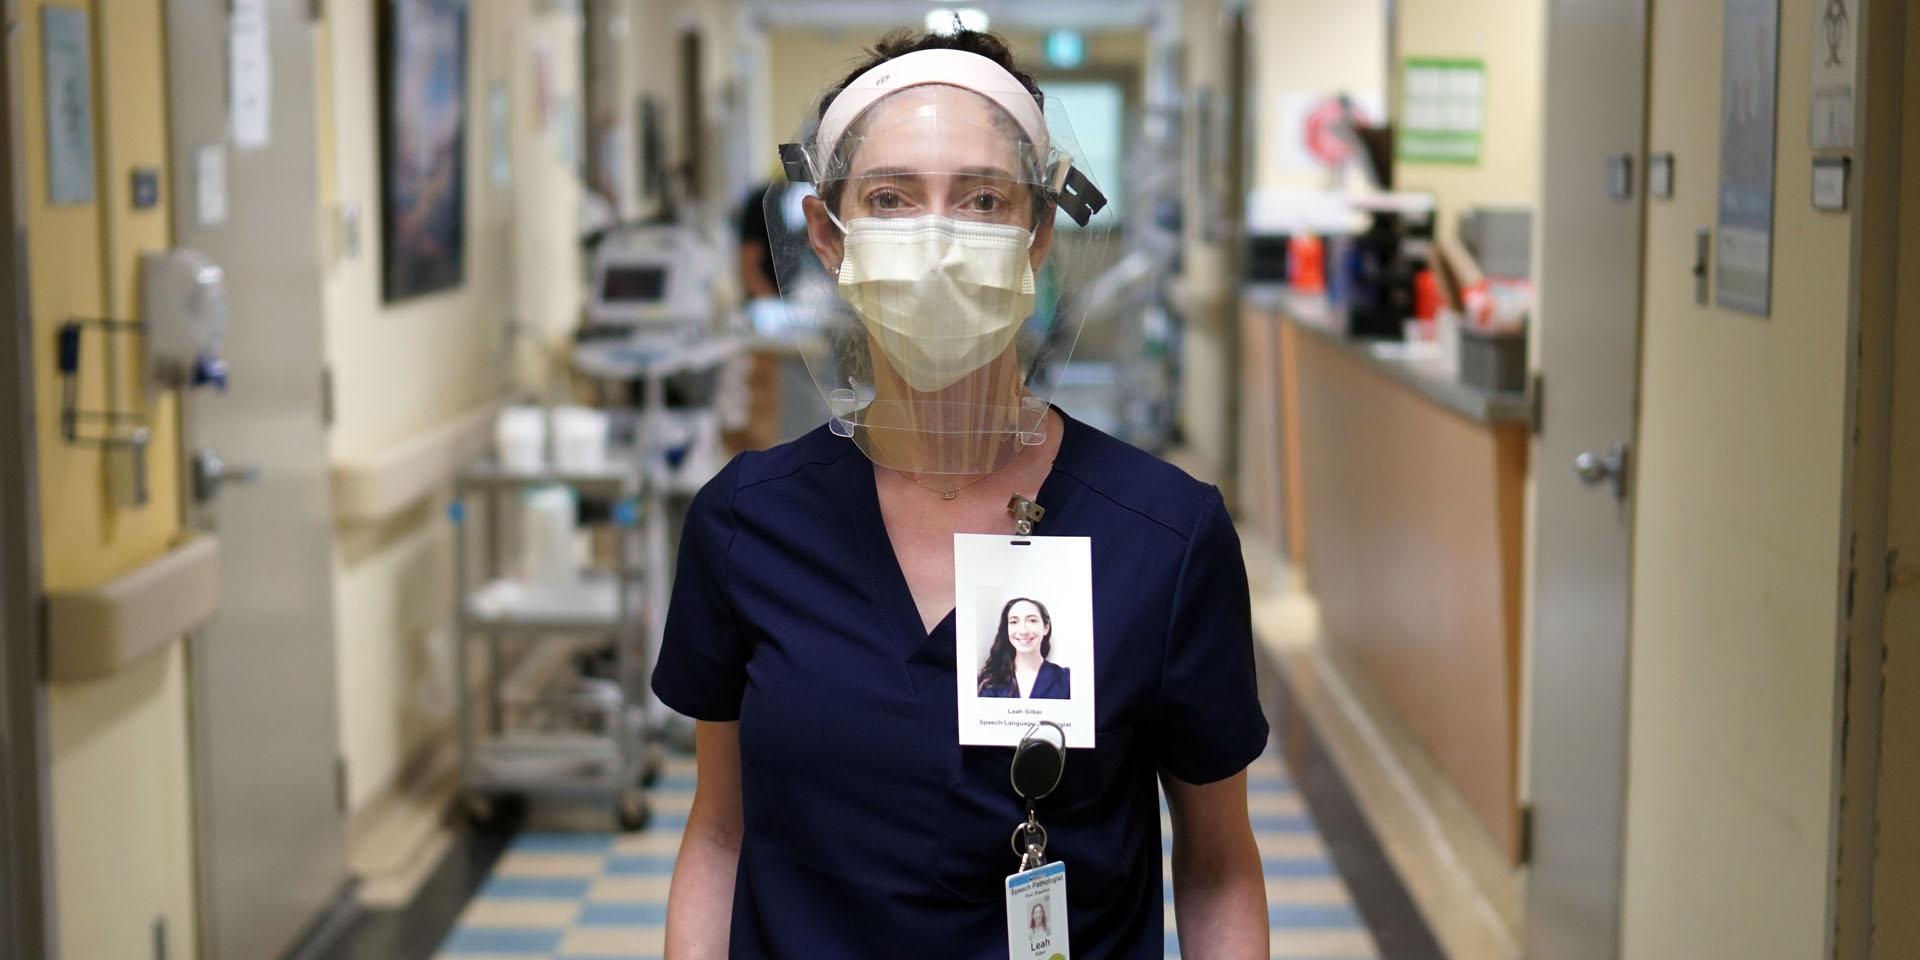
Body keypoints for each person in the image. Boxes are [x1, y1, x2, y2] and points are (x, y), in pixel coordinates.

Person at [654, 27, 1269, 958]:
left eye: (983, 200)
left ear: (1037, 234)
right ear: (828, 235)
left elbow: (1219, 866)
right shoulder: (748, 524)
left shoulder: (1163, 537)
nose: (936, 241)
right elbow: (718, 833)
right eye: (891, 199)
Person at [977, 597, 1070, 699]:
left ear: (1046, 628)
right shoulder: (990, 681)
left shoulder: (1067, 679)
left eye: (1032, 620)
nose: (1023, 631)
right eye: (1014, 622)